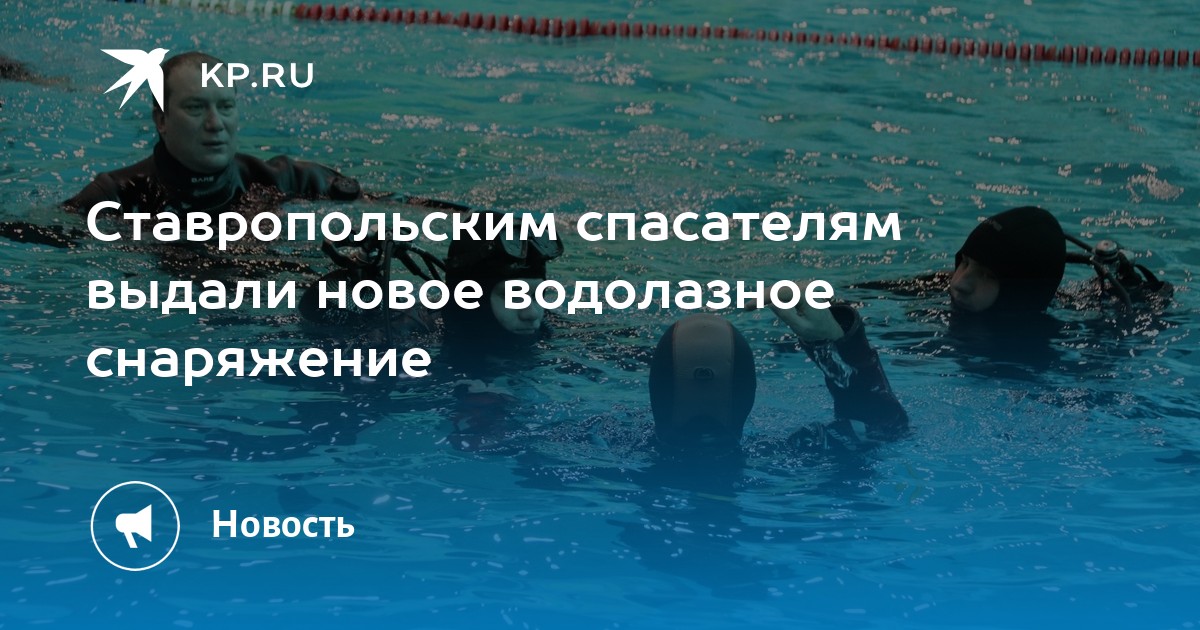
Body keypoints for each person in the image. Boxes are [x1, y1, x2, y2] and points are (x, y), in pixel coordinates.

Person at [63, 51, 361, 216]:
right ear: (162, 121)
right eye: (196, 108)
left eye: (226, 107)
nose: (215, 123)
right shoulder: (117, 197)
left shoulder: (284, 181)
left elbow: (381, 209)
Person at [649, 304, 908, 457]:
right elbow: (887, 427)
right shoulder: (803, 450)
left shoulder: (624, 452)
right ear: (747, 392)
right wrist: (835, 343)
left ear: (657, 389)